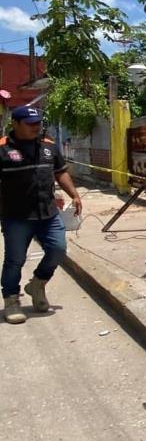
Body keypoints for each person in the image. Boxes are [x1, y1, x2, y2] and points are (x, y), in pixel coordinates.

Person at [0, 106, 82, 324]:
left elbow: (60, 172)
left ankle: (37, 284)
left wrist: (74, 194)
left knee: (58, 249)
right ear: (15, 125)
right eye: (30, 124)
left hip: (48, 213)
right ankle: (11, 300)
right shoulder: (2, 149)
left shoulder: (48, 147)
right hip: (16, 216)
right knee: (15, 260)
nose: (36, 128)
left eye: (38, 123)